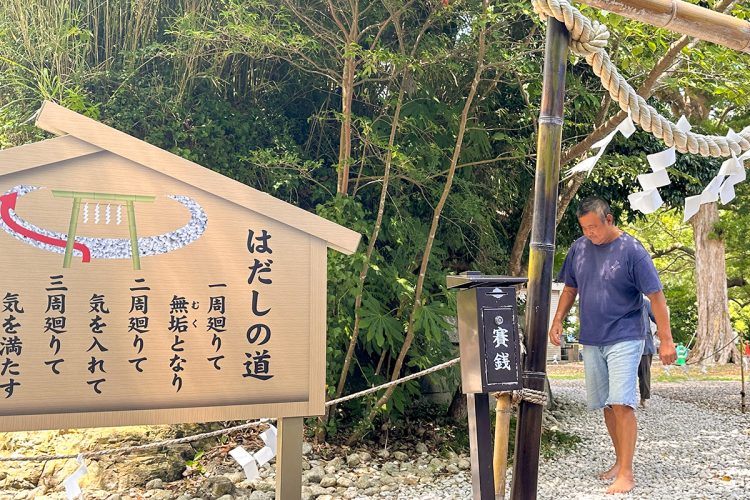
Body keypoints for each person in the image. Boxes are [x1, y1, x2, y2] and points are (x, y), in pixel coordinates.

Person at [548, 196, 676, 495]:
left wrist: (666, 340)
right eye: (583, 228)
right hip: (592, 337)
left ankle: (627, 473)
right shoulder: (579, 248)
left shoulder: (632, 251)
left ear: (609, 219)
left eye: (593, 226)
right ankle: (619, 462)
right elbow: (570, 287)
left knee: (622, 402)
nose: (589, 233)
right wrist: (557, 320)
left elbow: (656, 297)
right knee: (607, 404)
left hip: (626, 334)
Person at [637, 296, 656, 408]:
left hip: (645, 343)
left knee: (644, 373)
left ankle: (643, 398)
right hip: (625, 342)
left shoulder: (645, 303)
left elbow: (656, 317)